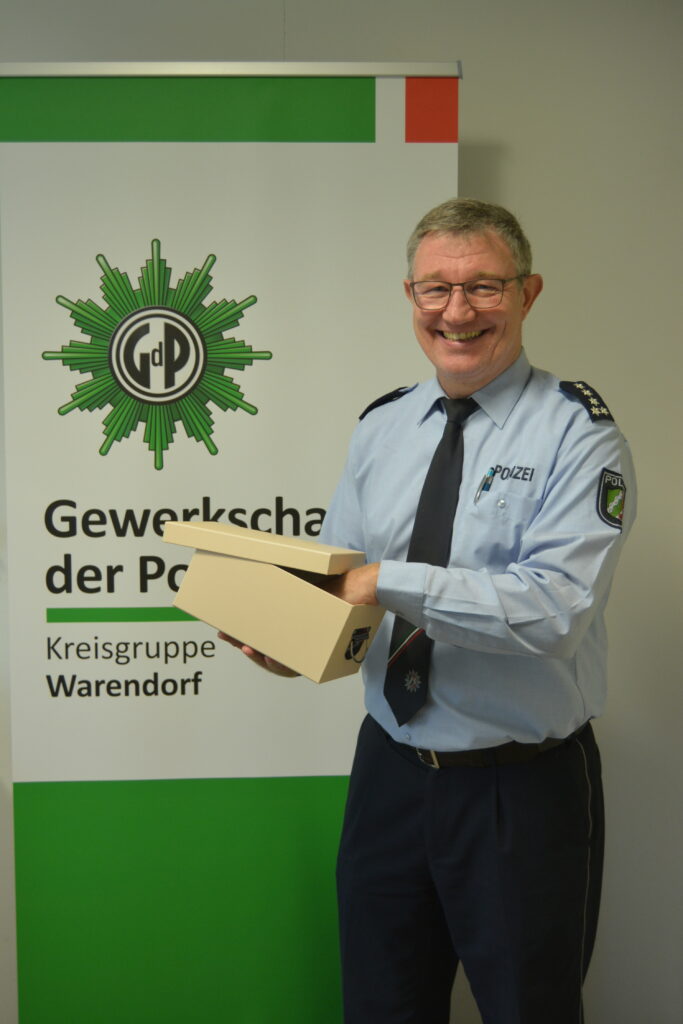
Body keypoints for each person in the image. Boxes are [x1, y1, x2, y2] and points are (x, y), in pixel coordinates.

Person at [221, 198, 636, 1023]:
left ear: (527, 293)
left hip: (517, 790)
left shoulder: (577, 435)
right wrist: (294, 640)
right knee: (382, 1005)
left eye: (483, 286)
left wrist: (386, 582)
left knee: (528, 1009)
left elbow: (555, 611)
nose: (456, 311)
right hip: (389, 772)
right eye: (434, 288)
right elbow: (341, 584)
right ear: (409, 296)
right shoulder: (382, 427)